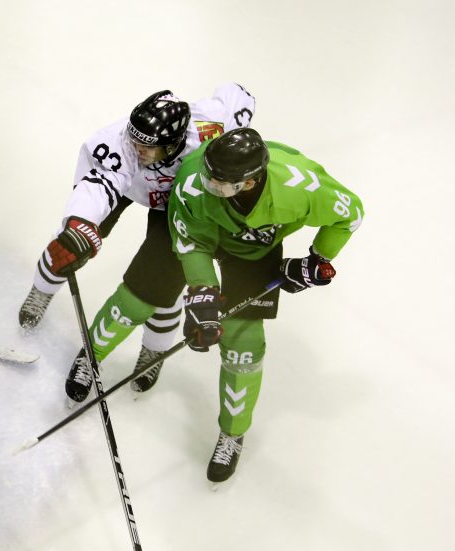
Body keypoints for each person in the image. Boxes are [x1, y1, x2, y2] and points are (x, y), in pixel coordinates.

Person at [18, 84, 256, 402]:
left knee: (166, 284)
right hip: (125, 183)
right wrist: (80, 222)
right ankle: (40, 292)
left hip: (178, 201)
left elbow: (235, 98)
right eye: (134, 138)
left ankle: (153, 351)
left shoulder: (209, 130)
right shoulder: (122, 145)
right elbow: (101, 181)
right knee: (68, 246)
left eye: (147, 145)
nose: (136, 147)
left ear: (173, 143)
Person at [166, 127, 363, 482]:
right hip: (206, 235)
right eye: (209, 177)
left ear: (251, 181)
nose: (210, 184)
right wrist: (201, 291)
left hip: (254, 254)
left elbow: (351, 213)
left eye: (220, 183)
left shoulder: (300, 188)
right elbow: (189, 240)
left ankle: (232, 432)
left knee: (244, 346)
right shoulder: (195, 182)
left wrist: (316, 260)